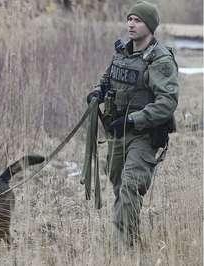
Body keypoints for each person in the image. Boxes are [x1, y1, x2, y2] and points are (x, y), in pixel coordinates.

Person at [87, 1, 179, 249]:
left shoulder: (159, 60)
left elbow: (167, 103)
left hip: (144, 136)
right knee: (119, 188)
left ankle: (123, 250)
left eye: (137, 20)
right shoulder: (122, 52)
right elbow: (106, 78)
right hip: (117, 133)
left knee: (130, 188)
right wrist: (97, 92)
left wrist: (132, 119)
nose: (131, 24)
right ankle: (133, 242)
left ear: (150, 26)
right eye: (129, 19)